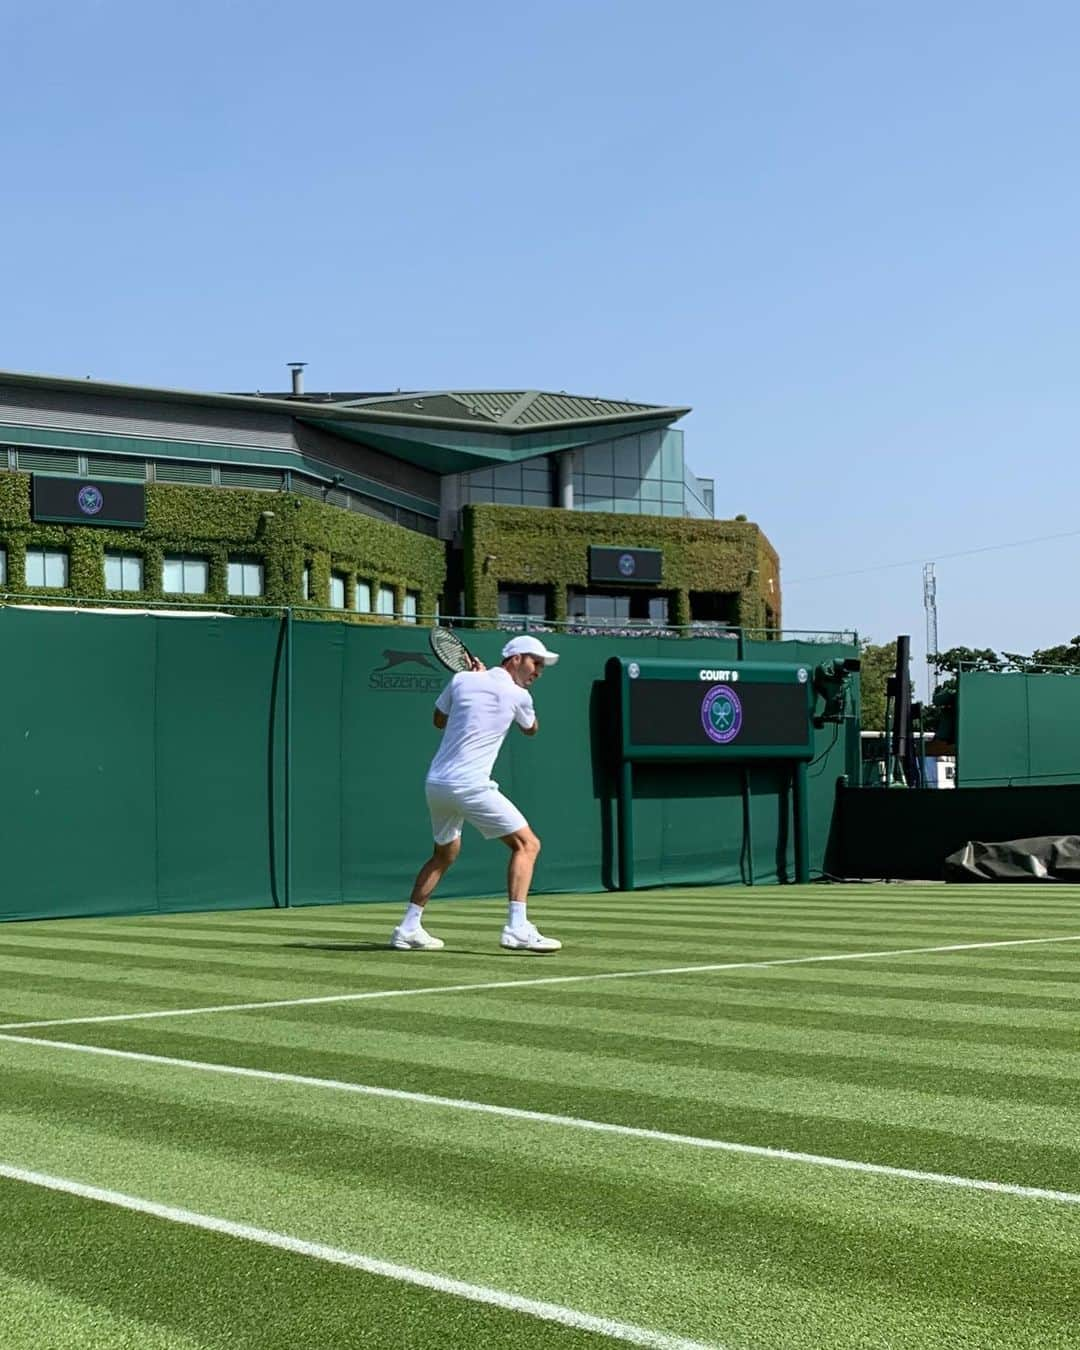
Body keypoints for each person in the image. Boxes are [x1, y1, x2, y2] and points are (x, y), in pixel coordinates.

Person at [391, 634, 562, 953]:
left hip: (438, 784)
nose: (538, 671)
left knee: (444, 854)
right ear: (515, 659)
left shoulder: (461, 680)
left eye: (541, 666)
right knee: (528, 845)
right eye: (534, 662)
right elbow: (531, 729)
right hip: (470, 784)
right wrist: (508, 693)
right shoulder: (518, 695)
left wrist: (474, 680)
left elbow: (438, 720)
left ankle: (408, 928)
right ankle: (517, 928)